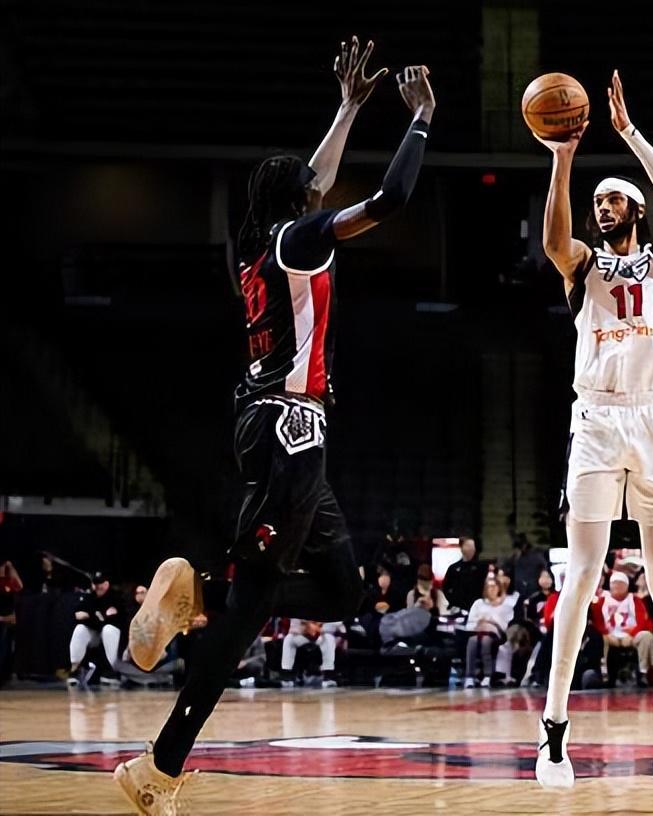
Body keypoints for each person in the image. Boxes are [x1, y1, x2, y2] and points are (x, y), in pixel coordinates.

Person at [113, 41, 436, 814]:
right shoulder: (301, 239)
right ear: (302, 199)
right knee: (248, 616)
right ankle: (157, 767)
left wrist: (349, 108)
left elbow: (313, 178)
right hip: (289, 433)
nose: (321, 186)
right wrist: (421, 118)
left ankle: (205, 591)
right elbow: (389, 199)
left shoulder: (260, 246)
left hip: (277, 428)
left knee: (347, 592)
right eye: (311, 187)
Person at [534, 69, 653, 790]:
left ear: (634, 207)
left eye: (612, 199)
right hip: (597, 420)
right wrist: (563, 158)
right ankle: (554, 732)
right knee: (582, 576)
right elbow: (553, 239)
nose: (602, 208)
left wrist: (628, 133)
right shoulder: (583, 267)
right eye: (596, 201)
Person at [594, 571, 653, 687]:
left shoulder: (635, 600)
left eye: (620, 583)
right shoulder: (601, 601)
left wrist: (631, 634)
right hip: (610, 635)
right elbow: (597, 622)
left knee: (647, 636)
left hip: (630, 635)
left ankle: (643, 672)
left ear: (626, 586)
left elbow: (642, 621)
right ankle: (604, 673)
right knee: (600, 638)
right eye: (614, 583)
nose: (616, 586)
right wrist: (607, 633)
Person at [68, 572, 124, 687]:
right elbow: (78, 614)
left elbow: (112, 620)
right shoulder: (90, 597)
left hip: (113, 634)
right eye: (95, 584)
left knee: (108, 630)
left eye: (100, 584)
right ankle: (74, 669)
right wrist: (95, 616)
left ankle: (113, 670)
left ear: (106, 584)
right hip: (96, 633)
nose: (97, 587)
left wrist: (91, 615)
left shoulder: (115, 597)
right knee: (80, 629)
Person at [463, 577, 514, 688]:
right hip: (478, 632)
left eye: (494, 586)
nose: (492, 589)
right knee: (472, 641)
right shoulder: (478, 603)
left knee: (486, 641)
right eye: (489, 587)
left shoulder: (505, 606)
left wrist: (491, 621)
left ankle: (487, 675)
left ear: (499, 588)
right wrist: (479, 622)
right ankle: (469, 676)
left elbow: (505, 626)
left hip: (496, 634)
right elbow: (469, 623)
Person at [443, 537, 487, 612]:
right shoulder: (453, 568)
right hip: (458, 608)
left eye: (473, 546)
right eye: (468, 546)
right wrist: (453, 602)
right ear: (461, 547)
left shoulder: (482, 567)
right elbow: (446, 587)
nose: (471, 549)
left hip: (477, 608)